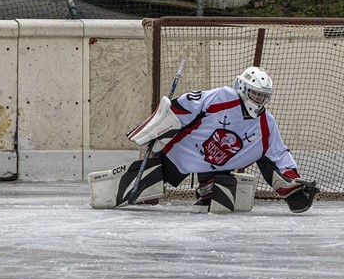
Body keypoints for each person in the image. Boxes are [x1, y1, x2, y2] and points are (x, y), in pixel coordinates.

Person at [88, 66, 318, 214]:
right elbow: (186, 103)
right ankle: (116, 186)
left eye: (263, 96)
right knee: (149, 189)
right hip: (184, 153)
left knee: (231, 191)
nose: (258, 100)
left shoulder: (266, 121)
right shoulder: (223, 97)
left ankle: (291, 196)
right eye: (255, 94)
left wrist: (291, 179)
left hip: (218, 164)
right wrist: (159, 127)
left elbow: (278, 153)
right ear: (242, 87)